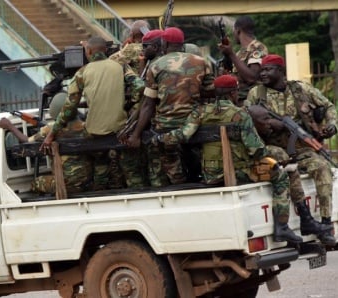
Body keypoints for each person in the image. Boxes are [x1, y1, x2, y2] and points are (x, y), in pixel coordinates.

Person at [154, 75, 302, 243]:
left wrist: (159, 139)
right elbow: (256, 150)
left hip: (211, 175)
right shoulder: (239, 115)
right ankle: (281, 227)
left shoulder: (201, 112)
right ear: (233, 93)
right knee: (280, 176)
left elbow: (183, 135)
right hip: (238, 172)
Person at [245, 54, 336, 245]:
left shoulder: (300, 89)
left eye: (268, 69)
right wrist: (270, 123)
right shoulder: (256, 94)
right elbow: (246, 117)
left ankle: (326, 224)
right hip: (273, 148)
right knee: (286, 160)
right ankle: (305, 218)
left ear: (281, 71)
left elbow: (328, 106)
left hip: (300, 149)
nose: (263, 73)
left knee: (322, 166)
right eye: (261, 70)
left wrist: (332, 125)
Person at [41, 36, 146, 190]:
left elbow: (69, 108)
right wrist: (129, 104)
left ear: (88, 51)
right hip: (121, 129)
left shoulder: (81, 73)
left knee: (100, 163)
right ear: (106, 51)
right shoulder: (120, 66)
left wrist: (51, 135)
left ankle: (101, 190)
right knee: (132, 172)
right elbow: (140, 87)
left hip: (94, 132)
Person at [126, 27, 214, 187]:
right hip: (194, 124)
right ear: (182, 44)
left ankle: (179, 185)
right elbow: (210, 92)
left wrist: (136, 134)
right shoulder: (201, 62)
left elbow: (148, 104)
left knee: (171, 164)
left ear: (164, 43)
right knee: (196, 160)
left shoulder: (156, 66)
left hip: (165, 126)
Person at [249, 105, 333, 240]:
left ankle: (313, 219)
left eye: (269, 119)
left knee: (315, 165)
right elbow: (255, 148)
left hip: (290, 150)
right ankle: (298, 220)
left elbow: (328, 107)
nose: (268, 122)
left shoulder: (297, 91)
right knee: (285, 168)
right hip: (259, 160)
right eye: (266, 120)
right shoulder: (250, 113)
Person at [0, 93, 92, 194]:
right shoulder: (86, 127)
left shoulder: (51, 130)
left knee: (36, 183)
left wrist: (10, 126)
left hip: (65, 184)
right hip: (88, 182)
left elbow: (26, 140)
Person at [218, 16, 268, 104]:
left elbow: (252, 78)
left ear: (238, 30)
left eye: (234, 30)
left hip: (254, 101)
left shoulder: (258, 48)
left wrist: (231, 54)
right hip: (239, 101)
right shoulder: (240, 53)